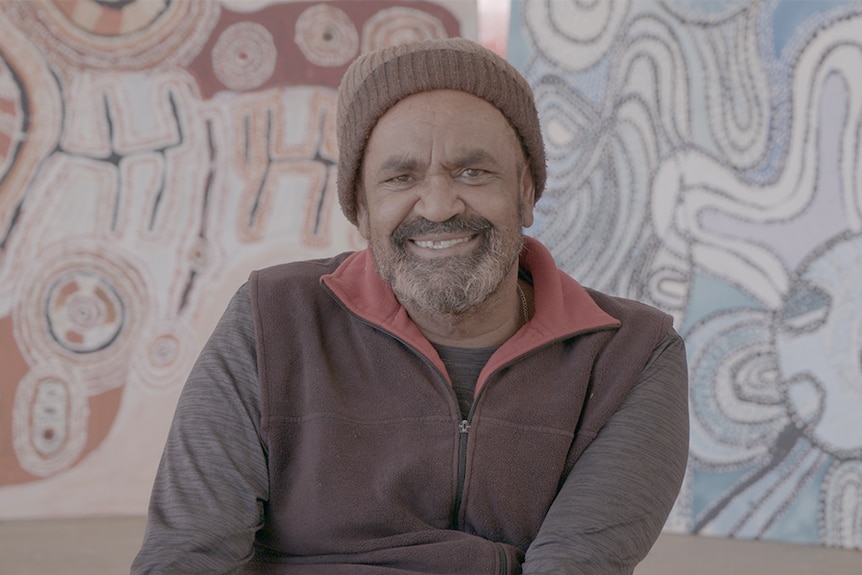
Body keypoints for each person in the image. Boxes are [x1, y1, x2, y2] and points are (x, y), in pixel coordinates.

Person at [131, 37, 689, 574]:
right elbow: (186, 552)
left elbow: (578, 566)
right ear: (361, 209)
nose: (441, 206)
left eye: (473, 171)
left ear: (525, 191)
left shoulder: (634, 355)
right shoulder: (271, 319)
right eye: (401, 177)